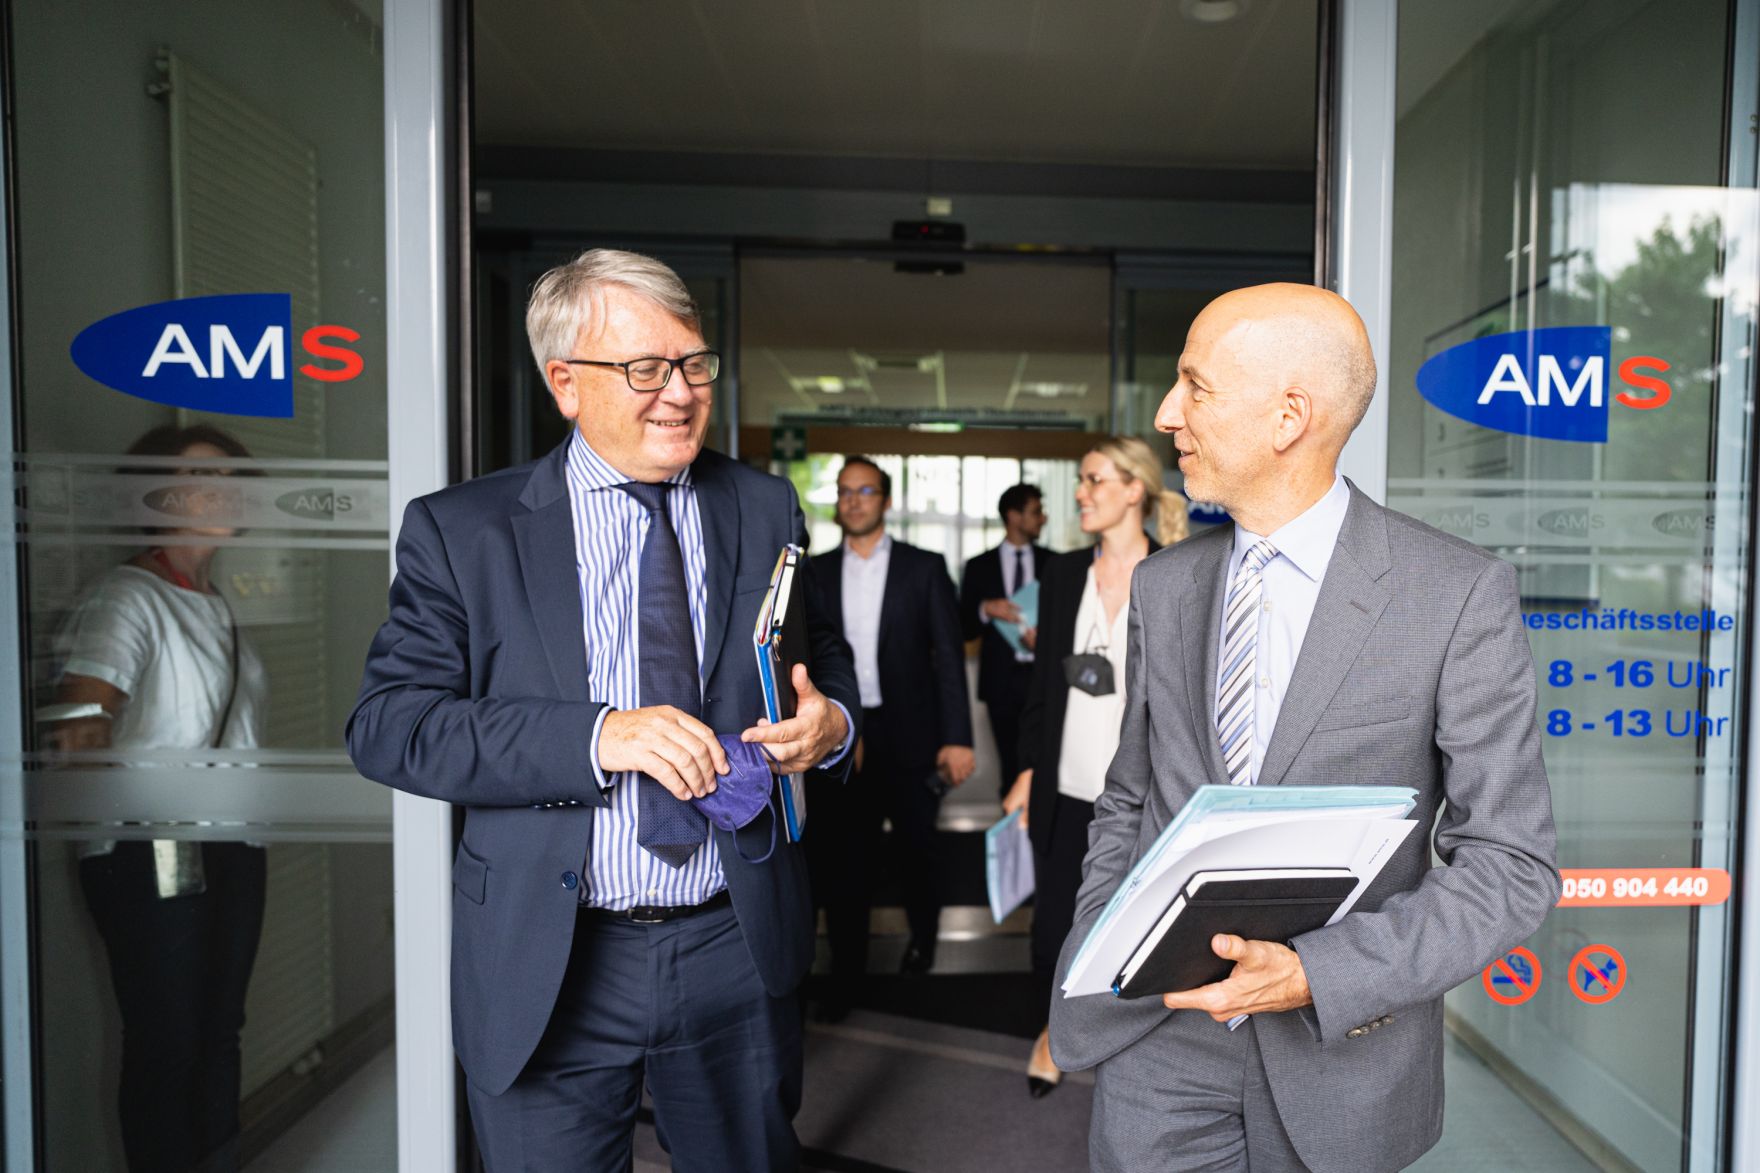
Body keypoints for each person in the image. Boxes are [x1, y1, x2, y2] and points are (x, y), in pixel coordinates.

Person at [347, 249, 859, 1172]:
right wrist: (596, 734)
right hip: (553, 956)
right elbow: (391, 725)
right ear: (564, 384)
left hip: (732, 935)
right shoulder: (463, 532)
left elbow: (819, 664)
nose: (679, 393)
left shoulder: (765, 503)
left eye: (694, 363)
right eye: (644, 369)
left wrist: (833, 729)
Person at [1047, 283, 1560, 1172]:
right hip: (1158, 1050)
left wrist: (1318, 974)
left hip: (1344, 1062)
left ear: (1290, 416)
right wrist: (1102, 952)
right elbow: (1128, 800)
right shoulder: (1165, 587)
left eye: (1195, 387)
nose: (1169, 414)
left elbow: (1511, 867)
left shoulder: (1456, 594)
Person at [47, 423, 268, 1173]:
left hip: (229, 842)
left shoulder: (213, 600)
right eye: (200, 477)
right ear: (154, 495)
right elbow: (76, 734)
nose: (222, 492)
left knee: (218, 1032)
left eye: (231, 479)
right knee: (168, 1040)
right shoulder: (127, 597)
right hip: (155, 847)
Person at [1002, 437, 1185, 1098]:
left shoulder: (1178, 571)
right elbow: (1041, 693)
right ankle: (1053, 1033)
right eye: (1080, 480)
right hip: (1068, 783)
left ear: (1134, 488)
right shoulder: (1059, 575)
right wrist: (1027, 769)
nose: (1079, 492)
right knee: (1053, 929)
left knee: (1140, 929)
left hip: (1147, 795)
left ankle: (1131, 1047)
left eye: (1092, 479)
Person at [807, 456, 974, 1016]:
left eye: (865, 491)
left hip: (910, 733)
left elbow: (948, 659)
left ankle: (924, 946)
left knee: (916, 851)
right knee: (844, 860)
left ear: (886, 500)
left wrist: (957, 738)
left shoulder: (922, 568)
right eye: (845, 491)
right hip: (841, 737)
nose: (853, 500)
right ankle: (845, 977)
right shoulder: (815, 573)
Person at [959, 483, 1049, 799]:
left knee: (1044, 765)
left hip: (1046, 681)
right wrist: (986, 608)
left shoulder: (1056, 565)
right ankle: (1010, 842)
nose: (1043, 518)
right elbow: (963, 627)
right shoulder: (978, 566)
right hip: (1001, 684)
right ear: (1013, 516)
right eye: (1036, 511)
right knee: (1009, 767)